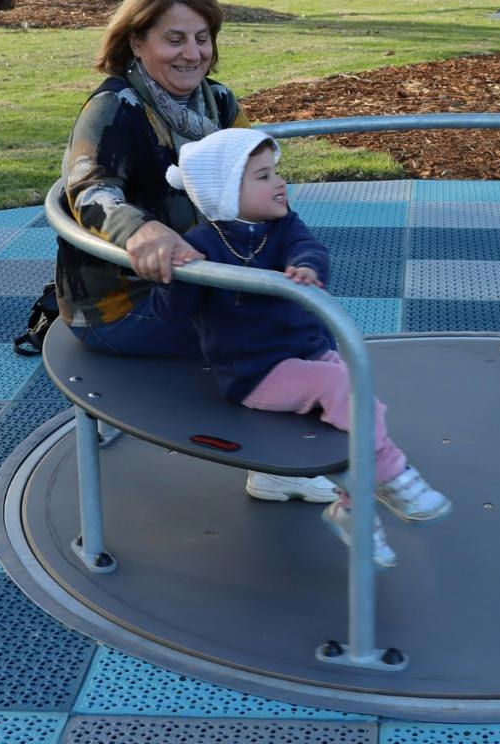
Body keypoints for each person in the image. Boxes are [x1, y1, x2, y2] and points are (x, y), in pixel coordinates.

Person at [55, 0, 334, 505]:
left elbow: (252, 186)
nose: (191, 53)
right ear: (137, 41)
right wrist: (142, 230)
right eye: (173, 38)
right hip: (124, 302)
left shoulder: (220, 104)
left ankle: (312, 426)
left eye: (202, 38)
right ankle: (278, 464)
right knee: (270, 331)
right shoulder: (117, 109)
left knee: (301, 311)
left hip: (200, 277)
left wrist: (289, 249)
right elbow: (90, 187)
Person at [152, 127, 452, 569]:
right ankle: (394, 476)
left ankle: (353, 511)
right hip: (255, 372)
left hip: (305, 354)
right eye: (261, 176)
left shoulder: (283, 224)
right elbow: (170, 314)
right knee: (341, 388)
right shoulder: (202, 244)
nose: (279, 183)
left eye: (275, 172)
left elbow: (307, 246)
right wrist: (180, 278)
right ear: (224, 192)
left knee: (363, 406)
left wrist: (305, 265)